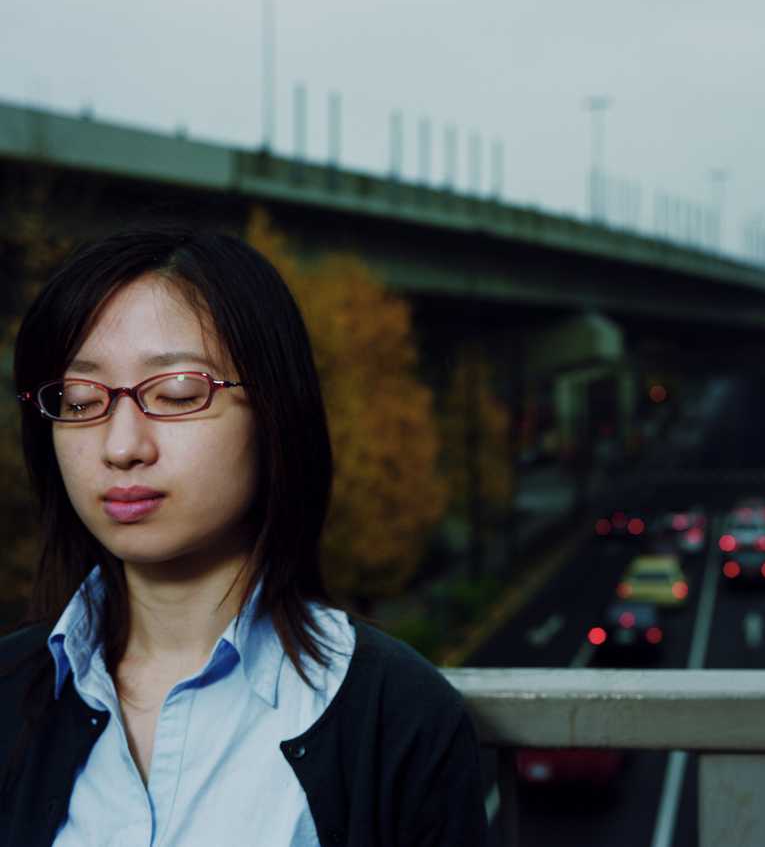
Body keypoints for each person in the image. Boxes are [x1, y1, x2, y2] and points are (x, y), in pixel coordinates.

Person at [0, 229, 486, 846]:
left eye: (176, 394)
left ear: (276, 412)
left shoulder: (397, 716)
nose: (121, 447)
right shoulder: (10, 692)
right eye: (78, 402)